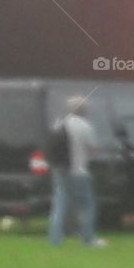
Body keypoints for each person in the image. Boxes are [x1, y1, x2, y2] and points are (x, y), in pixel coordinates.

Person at [48, 95, 107, 248]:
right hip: (80, 171)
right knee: (87, 206)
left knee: (59, 204)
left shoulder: (59, 124)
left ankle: (55, 239)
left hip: (61, 170)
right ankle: (88, 238)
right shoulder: (85, 126)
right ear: (84, 110)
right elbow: (93, 149)